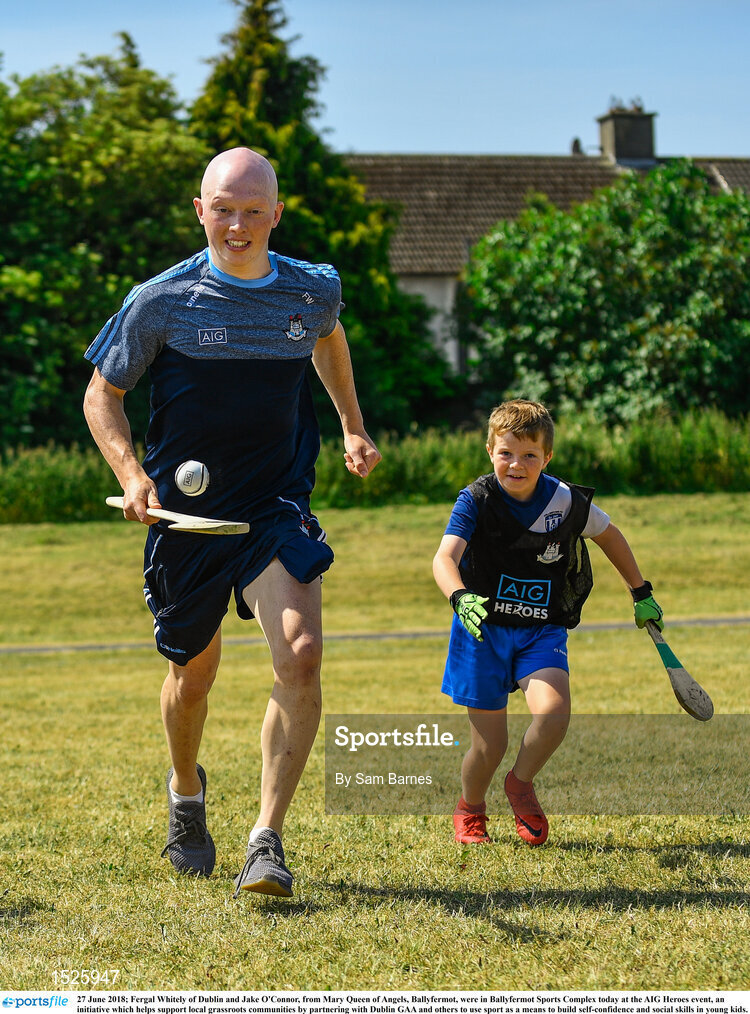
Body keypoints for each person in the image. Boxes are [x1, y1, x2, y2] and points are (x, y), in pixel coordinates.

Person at [83, 147, 381, 898]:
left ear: (276, 214)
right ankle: (187, 792)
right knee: (194, 675)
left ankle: (265, 840)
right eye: (223, 209)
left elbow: (328, 337)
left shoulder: (312, 290)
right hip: (188, 519)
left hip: (276, 504)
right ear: (200, 210)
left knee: (302, 655)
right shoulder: (161, 300)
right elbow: (101, 395)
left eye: (253, 211)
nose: (238, 225)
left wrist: (351, 424)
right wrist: (132, 476)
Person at [432, 399, 662, 847]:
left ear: (547, 457)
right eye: (506, 453)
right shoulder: (475, 499)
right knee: (489, 746)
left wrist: (641, 591)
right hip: (481, 631)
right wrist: (460, 597)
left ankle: (519, 784)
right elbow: (444, 558)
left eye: (529, 455)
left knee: (554, 714)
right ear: (490, 451)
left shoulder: (565, 501)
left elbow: (610, 536)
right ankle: (470, 807)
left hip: (541, 628)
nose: (516, 464)